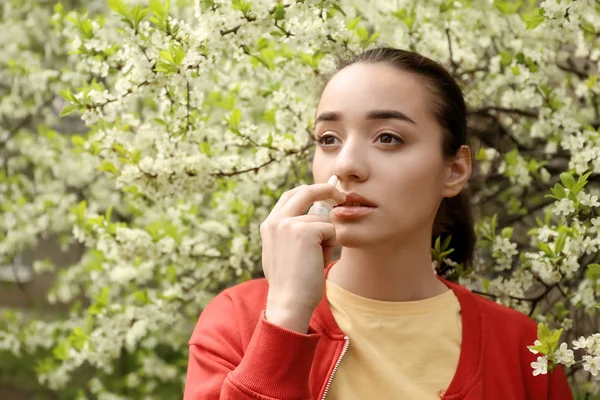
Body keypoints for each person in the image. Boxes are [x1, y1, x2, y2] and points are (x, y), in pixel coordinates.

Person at [183, 47, 573, 399]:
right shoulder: (240, 319)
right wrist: (285, 320)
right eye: (329, 139)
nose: (346, 165)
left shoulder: (526, 350)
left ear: (454, 170)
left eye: (387, 138)